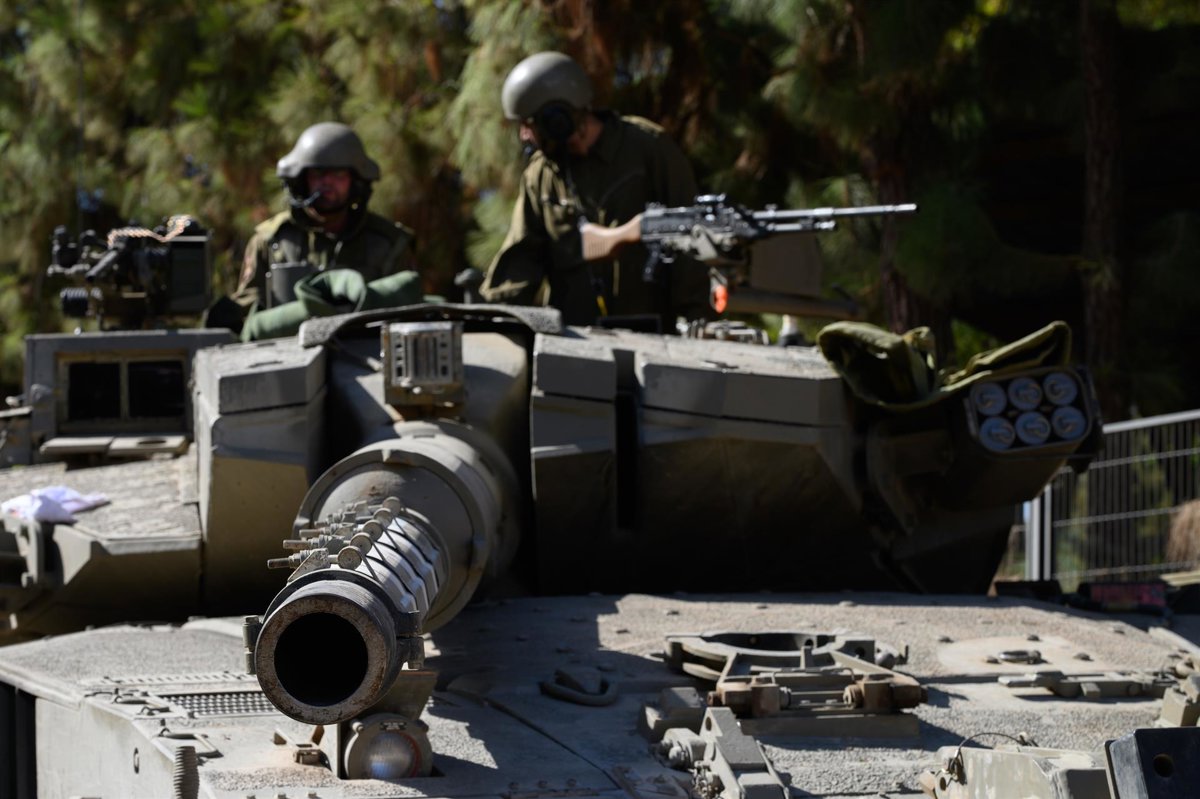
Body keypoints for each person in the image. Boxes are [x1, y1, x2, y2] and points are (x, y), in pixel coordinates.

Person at [480, 51, 708, 329]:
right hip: (574, 341)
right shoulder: (541, 176)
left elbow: (691, 240)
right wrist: (490, 320)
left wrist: (697, 323)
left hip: (658, 337)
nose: (524, 136)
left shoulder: (647, 148)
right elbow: (520, 261)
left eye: (529, 124)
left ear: (557, 118)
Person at [237, 122, 416, 310]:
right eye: (318, 173)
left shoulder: (388, 243)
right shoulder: (272, 240)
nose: (327, 182)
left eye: (339, 174)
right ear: (302, 180)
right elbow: (248, 309)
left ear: (356, 181)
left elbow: (408, 308)